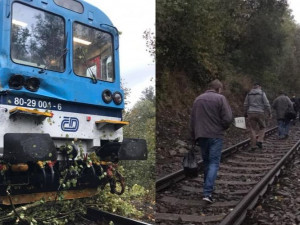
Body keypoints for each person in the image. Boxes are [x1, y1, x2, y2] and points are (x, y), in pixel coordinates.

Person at [190, 79, 232, 203]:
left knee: (207, 162)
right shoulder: (220, 99)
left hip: (201, 135)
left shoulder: (198, 99)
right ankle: (207, 193)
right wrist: (223, 127)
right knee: (214, 163)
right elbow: (228, 118)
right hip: (215, 135)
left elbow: (192, 119)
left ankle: (207, 189)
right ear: (219, 89)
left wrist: (193, 136)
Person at [243, 82, 271, 150]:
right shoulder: (262, 93)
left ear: (253, 87)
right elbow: (267, 104)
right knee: (263, 127)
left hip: (251, 112)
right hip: (260, 112)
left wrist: (245, 113)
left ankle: (253, 145)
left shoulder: (249, 94)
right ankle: (259, 141)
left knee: (252, 129)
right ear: (259, 87)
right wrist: (269, 112)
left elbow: (245, 104)